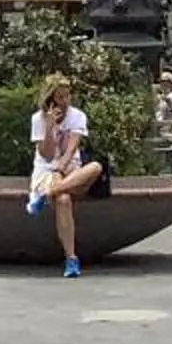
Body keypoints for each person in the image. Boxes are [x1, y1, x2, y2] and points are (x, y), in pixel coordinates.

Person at [23, 74, 110, 278]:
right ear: (50, 99)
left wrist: (61, 171)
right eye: (60, 97)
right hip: (46, 169)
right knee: (63, 200)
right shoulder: (38, 119)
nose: (65, 102)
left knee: (96, 167)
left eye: (67, 96)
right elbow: (46, 154)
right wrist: (50, 127)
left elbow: (71, 149)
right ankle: (71, 258)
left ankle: (45, 194)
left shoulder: (77, 116)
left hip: (70, 169)